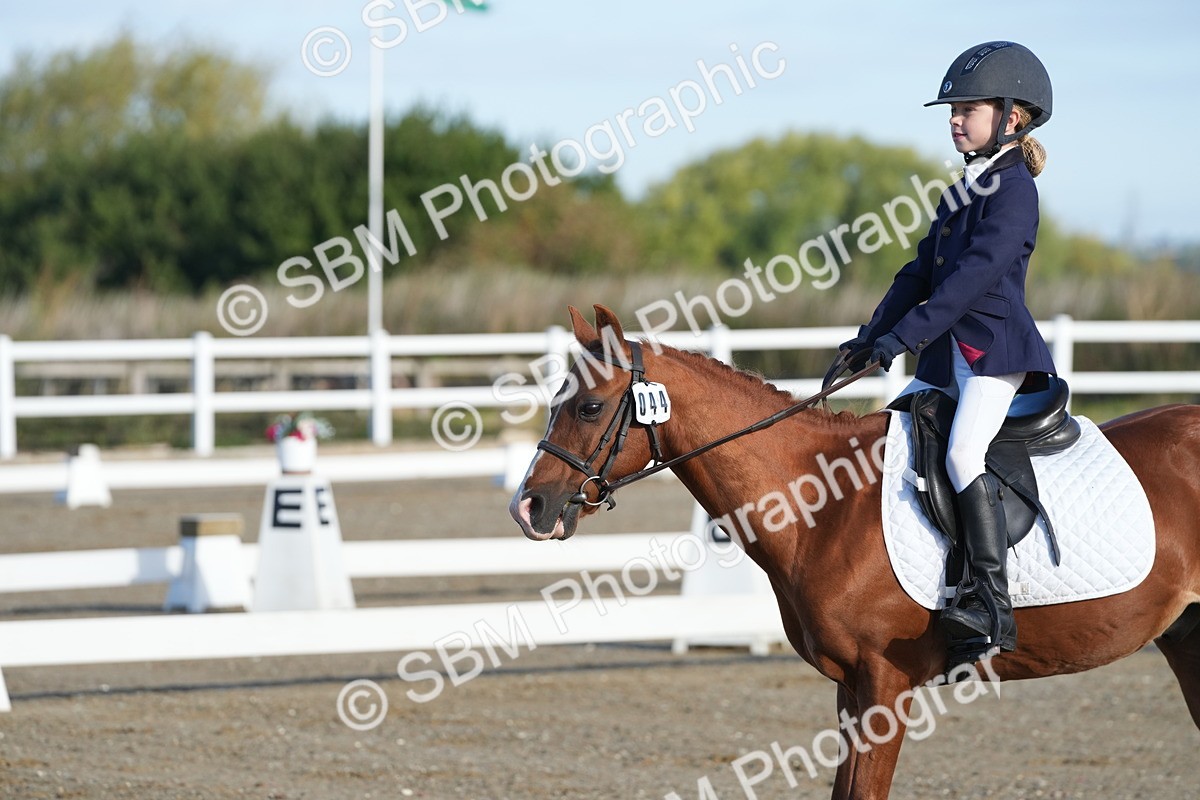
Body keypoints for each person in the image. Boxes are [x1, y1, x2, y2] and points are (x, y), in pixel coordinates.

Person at [837, 41, 1057, 665]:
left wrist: (905, 338)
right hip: (949, 359)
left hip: (994, 352)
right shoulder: (962, 190)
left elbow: (973, 281)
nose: (955, 118)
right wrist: (869, 337)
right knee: (891, 436)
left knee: (963, 454)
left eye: (969, 107)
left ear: (1012, 117)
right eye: (952, 109)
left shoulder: (1015, 193)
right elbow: (919, 273)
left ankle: (991, 600)